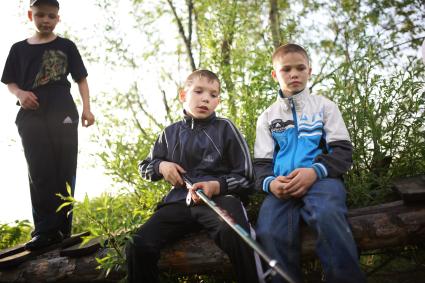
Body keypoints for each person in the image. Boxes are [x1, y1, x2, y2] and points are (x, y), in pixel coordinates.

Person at [126, 69, 261, 283]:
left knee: (235, 232)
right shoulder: (169, 133)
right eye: (198, 91)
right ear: (183, 95)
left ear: (217, 101)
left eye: (213, 95)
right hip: (178, 202)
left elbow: (247, 177)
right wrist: (161, 166)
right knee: (137, 243)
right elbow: (145, 167)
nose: (206, 98)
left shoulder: (226, 128)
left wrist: (215, 186)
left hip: (219, 200)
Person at [253, 43, 366, 283]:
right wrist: (271, 184)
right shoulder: (267, 117)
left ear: (309, 71)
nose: (294, 74)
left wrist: (315, 171)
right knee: (269, 231)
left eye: (300, 68)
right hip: (281, 187)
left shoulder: (325, 107)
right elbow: (261, 165)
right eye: (286, 69)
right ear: (275, 74)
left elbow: (343, 152)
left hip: (321, 180)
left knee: (327, 214)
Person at [1, 0, 95, 250]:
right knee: (40, 169)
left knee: (64, 168)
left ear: (58, 19)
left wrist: (87, 109)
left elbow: (81, 80)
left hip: (63, 109)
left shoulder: (66, 46)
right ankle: (44, 230)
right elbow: (9, 81)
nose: (45, 20)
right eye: (40, 14)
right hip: (31, 113)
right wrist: (20, 94)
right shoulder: (18, 49)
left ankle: (62, 230)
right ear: (30, 15)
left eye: (51, 16)